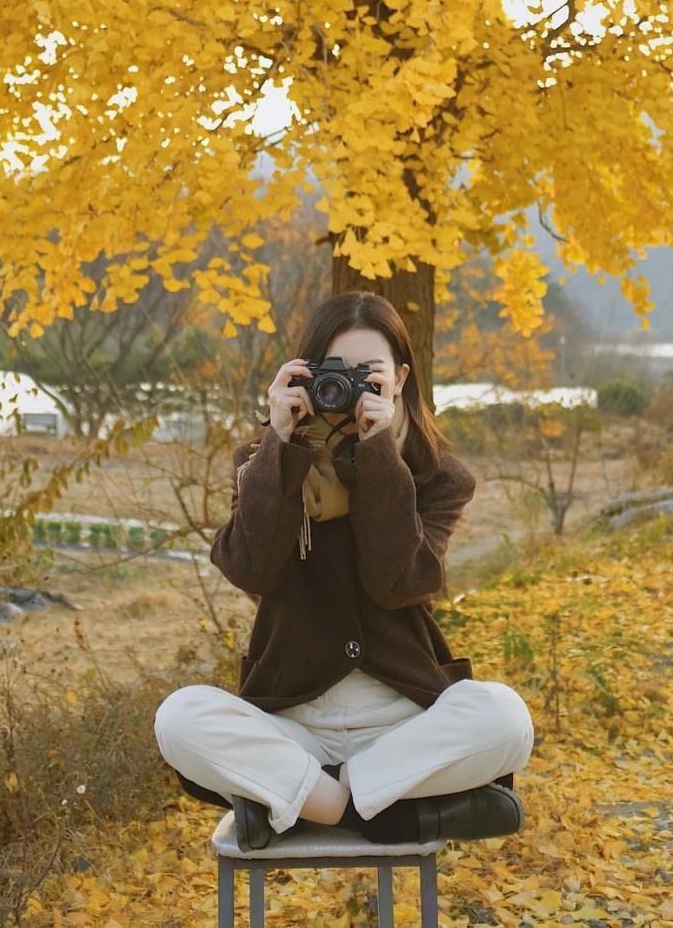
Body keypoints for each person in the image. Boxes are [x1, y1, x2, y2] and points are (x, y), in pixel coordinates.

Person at [154, 292, 534, 850]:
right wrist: (279, 448)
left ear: (400, 379)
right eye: (336, 372)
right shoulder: (266, 462)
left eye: (368, 375)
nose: (349, 388)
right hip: (294, 721)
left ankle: (300, 801)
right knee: (179, 716)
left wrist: (378, 455)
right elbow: (249, 570)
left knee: (505, 717)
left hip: (402, 721)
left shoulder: (436, 475)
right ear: (306, 373)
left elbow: (399, 581)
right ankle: (379, 810)